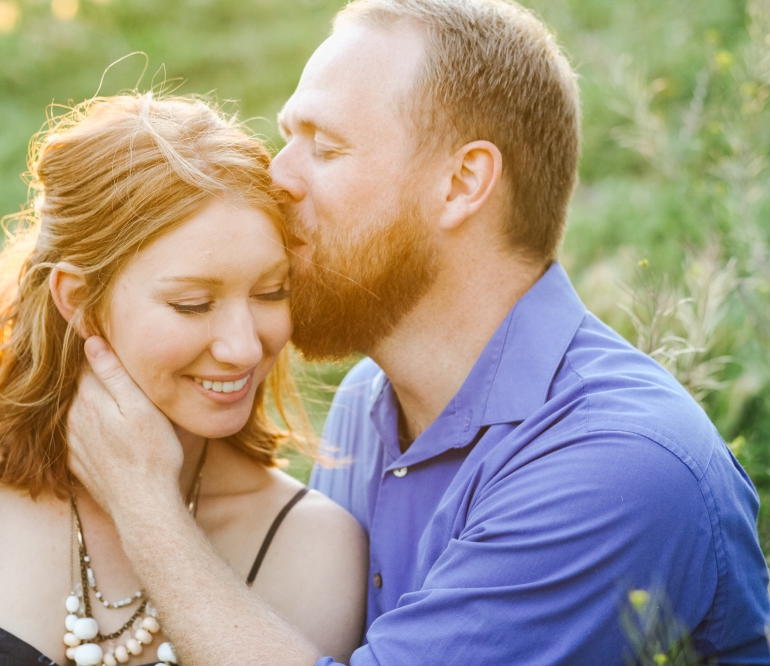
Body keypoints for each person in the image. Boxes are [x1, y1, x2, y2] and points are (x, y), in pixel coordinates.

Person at [64, 0, 770, 664]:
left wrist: (144, 505)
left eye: (325, 146)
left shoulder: (620, 468)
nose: (276, 180)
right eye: (288, 139)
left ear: (462, 183)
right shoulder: (369, 406)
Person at [0, 94, 368, 666]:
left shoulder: (311, 546)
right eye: (193, 304)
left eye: (272, 292)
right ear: (80, 300)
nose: (244, 346)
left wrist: (145, 502)